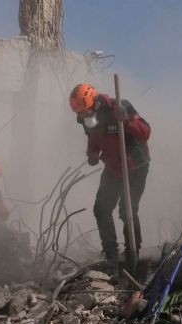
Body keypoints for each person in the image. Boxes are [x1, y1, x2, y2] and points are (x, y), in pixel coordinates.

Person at [69, 83, 151, 262]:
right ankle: (111, 254)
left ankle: (132, 253)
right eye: (80, 114)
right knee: (101, 209)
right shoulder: (86, 118)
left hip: (134, 167)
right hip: (113, 169)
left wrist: (127, 121)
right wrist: (92, 154)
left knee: (127, 210)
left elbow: (145, 133)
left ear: (95, 104)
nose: (83, 117)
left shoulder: (119, 107)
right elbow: (93, 139)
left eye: (85, 112)